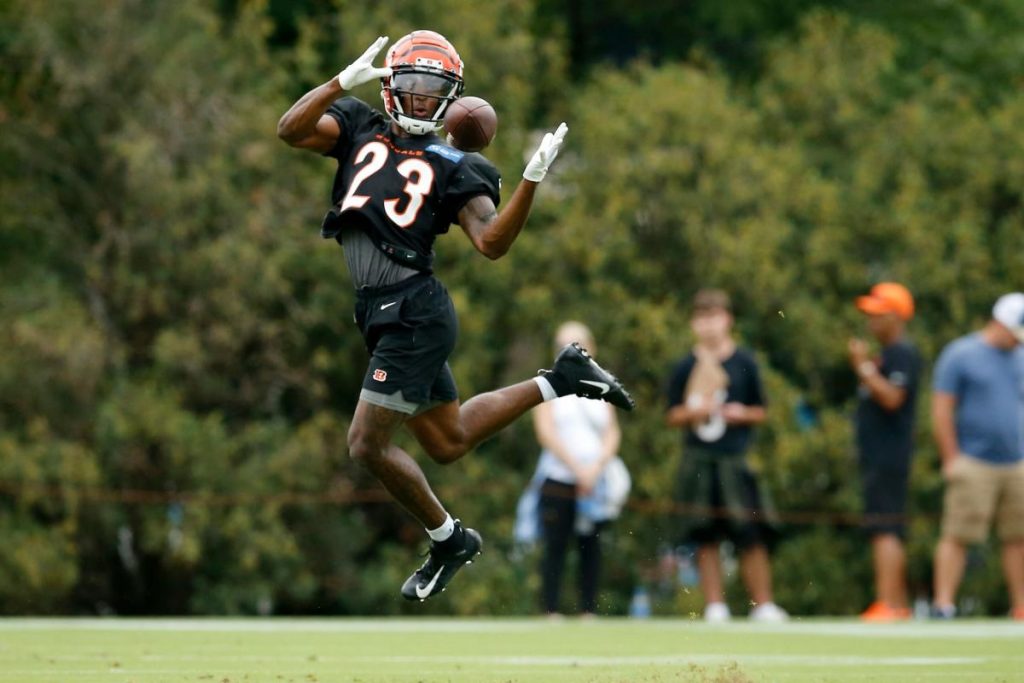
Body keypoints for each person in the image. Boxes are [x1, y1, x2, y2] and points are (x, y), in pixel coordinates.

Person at [277, 31, 635, 602]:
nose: (421, 98)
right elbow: (290, 129)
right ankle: (562, 379)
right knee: (449, 440)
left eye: (433, 88)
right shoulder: (359, 125)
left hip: (412, 311)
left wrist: (531, 181)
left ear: (451, 97)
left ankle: (449, 540)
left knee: (365, 445)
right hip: (379, 310)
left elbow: (491, 243)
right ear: (392, 85)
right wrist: (341, 82)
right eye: (413, 86)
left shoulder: (456, 163)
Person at [664, 289, 787, 622]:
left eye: (714, 317)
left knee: (750, 533)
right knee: (705, 535)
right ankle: (714, 605)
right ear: (694, 324)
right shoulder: (685, 365)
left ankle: (763, 604)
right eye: (702, 319)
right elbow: (671, 415)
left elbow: (762, 411)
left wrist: (740, 414)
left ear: (727, 319)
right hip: (699, 460)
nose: (709, 326)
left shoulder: (744, 361)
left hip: (735, 459)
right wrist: (695, 412)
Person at [930, 292, 1024, 620]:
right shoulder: (961, 354)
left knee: (1018, 537)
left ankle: (1021, 607)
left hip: (1017, 462)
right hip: (973, 462)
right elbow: (942, 408)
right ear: (999, 323)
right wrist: (951, 458)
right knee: (958, 534)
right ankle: (943, 605)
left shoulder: (1021, 356)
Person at [531, 321, 626, 618]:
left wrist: (596, 468)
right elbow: (546, 433)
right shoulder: (546, 387)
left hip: (595, 482)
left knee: (591, 547)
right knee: (555, 547)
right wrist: (576, 468)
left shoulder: (603, 387)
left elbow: (612, 433)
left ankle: (589, 609)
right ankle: (551, 609)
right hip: (559, 479)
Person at [848, 282, 922, 622]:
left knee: (885, 527)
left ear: (896, 317)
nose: (871, 322)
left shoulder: (901, 353)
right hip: (878, 455)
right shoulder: (887, 354)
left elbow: (893, 398)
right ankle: (897, 603)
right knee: (885, 526)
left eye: (877, 315)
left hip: (889, 455)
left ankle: (887, 604)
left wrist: (863, 367)